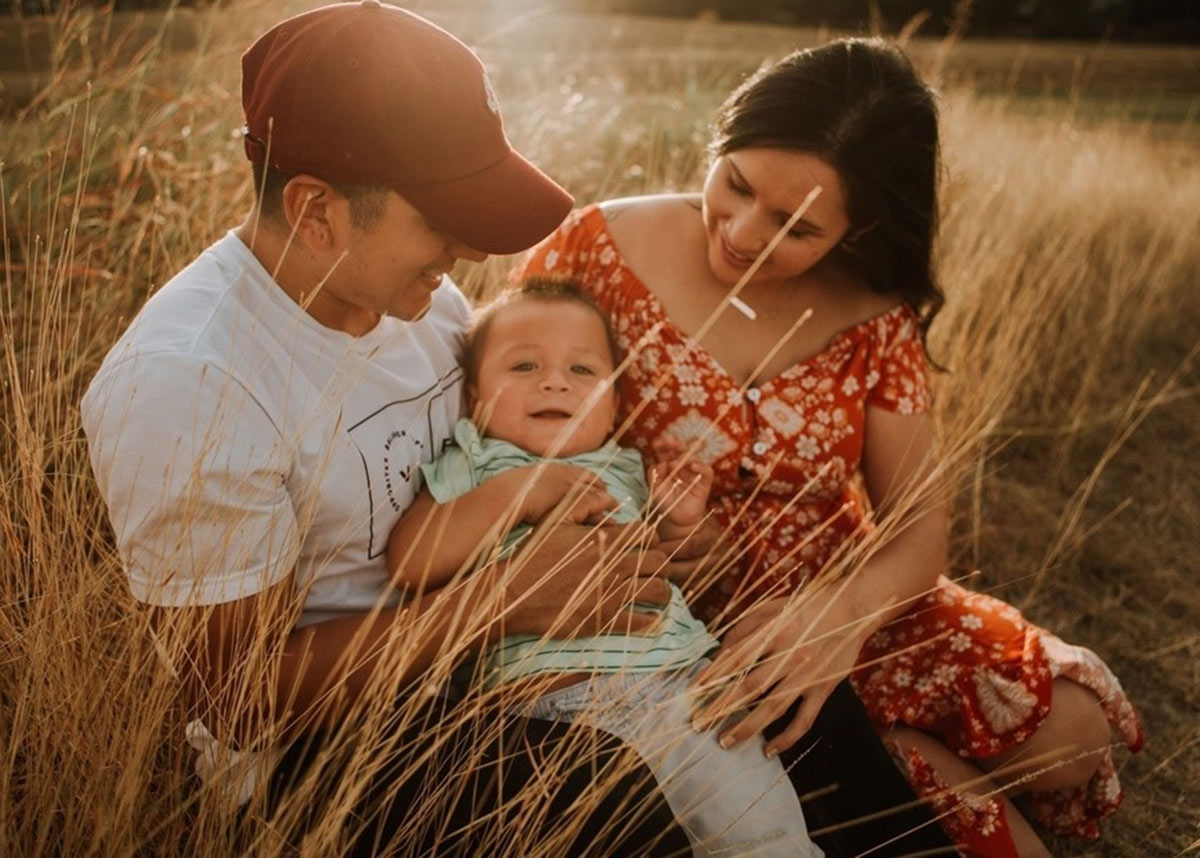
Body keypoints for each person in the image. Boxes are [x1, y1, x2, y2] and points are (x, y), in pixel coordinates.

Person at [79, 3, 694, 854]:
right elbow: (236, 701)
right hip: (332, 751)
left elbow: (495, 451)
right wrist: (499, 603)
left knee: (792, 731)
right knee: (626, 809)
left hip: (507, 656)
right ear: (315, 210)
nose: (469, 257)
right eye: (441, 220)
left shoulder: (418, 296)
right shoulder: (188, 385)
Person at [517, 37, 1144, 857]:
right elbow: (503, 414)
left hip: (838, 598)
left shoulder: (873, 312)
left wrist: (837, 617)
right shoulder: (594, 248)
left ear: (863, 225)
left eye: (795, 226)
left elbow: (919, 530)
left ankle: (874, 757)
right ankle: (882, 766)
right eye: (735, 183)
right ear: (721, 140)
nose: (743, 233)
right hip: (661, 609)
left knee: (1076, 733)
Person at [388, 277, 822, 858]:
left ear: (615, 403)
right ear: (473, 398)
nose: (554, 380)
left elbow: (670, 569)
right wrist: (517, 492)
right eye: (522, 366)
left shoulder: (624, 467)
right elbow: (411, 560)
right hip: (549, 713)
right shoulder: (474, 464)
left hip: (681, 693)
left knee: (763, 838)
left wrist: (680, 518)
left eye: (583, 371)